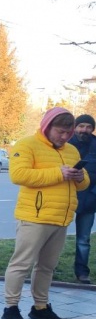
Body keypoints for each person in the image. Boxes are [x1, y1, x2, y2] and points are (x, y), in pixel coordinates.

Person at [1, 107, 89, 319]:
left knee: (47, 266)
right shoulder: (26, 145)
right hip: (34, 216)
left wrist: (79, 176)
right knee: (21, 264)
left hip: (61, 217)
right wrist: (59, 173)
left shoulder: (71, 150)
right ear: (47, 127)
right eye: (60, 132)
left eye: (68, 133)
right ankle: (10, 308)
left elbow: (84, 183)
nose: (65, 136)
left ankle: (40, 307)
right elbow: (19, 175)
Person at [68, 114, 96, 284]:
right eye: (81, 126)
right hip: (66, 196)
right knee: (55, 237)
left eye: (88, 127)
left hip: (90, 199)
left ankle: (82, 272)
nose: (84, 130)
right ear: (75, 127)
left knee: (83, 239)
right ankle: (47, 269)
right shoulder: (65, 144)